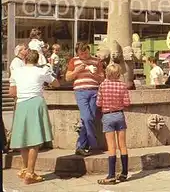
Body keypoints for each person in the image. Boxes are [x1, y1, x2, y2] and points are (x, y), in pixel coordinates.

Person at [9, 50, 60, 184]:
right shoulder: (41, 71)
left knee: (24, 138)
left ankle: (26, 169)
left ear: (25, 59)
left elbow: (12, 92)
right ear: (37, 60)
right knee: (35, 140)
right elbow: (56, 84)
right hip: (36, 102)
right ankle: (30, 173)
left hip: (21, 104)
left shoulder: (16, 72)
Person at [65, 42, 104, 156]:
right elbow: (68, 77)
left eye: (86, 52)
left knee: (89, 118)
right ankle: (93, 143)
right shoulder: (74, 61)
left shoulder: (96, 61)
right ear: (77, 53)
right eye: (82, 54)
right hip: (80, 91)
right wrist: (77, 71)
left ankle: (81, 146)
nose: (85, 55)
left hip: (94, 90)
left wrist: (95, 74)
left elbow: (102, 79)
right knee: (87, 118)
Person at [96, 63, 131, 185]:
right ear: (119, 74)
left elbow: (98, 103)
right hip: (119, 115)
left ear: (107, 73)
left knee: (112, 147)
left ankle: (111, 176)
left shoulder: (103, 85)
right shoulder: (122, 86)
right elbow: (127, 103)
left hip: (108, 115)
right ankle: (124, 173)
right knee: (123, 145)